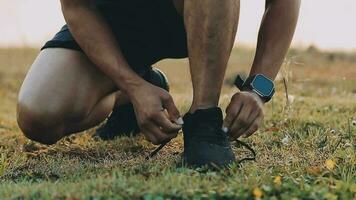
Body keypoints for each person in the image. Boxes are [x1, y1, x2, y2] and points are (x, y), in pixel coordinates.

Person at [17, 0, 300, 168]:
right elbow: (76, 5)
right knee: (38, 116)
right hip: (111, 23)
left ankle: (203, 120)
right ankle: (131, 93)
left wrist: (258, 90)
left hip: (194, 12)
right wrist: (133, 86)